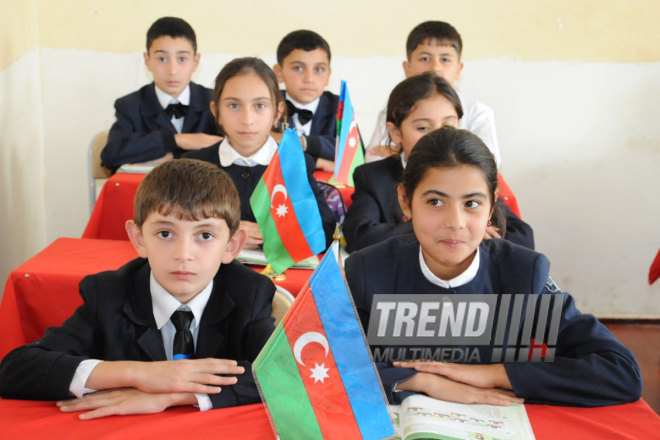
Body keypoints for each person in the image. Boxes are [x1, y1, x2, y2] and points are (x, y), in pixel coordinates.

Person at [345, 127, 642, 407]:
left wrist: (493, 373)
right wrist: (419, 380)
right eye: (435, 202)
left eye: (471, 203)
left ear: (492, 205)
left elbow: (619, 371)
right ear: (405, 202)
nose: (455, 222)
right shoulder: (368, 272)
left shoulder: (523, 275)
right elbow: (326, 366)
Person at [0, 159, 276, 418]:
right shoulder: (109, 294)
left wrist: (173, 394)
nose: (184, 254)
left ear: (231, 246)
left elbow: (285, 374)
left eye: (205, 235)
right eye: (165, 233)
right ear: (138, 239)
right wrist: (139, 374)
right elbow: (16, 370)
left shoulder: (249, 292)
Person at [343, 73, 533, 253]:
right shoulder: (374, 177)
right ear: (395, 132)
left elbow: (522, 237)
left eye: (447, 125)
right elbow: (359, 236)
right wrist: (438, 231)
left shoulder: (474, 175)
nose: (436, 135)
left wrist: (474, 233)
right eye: (423, 127)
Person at [184, 57, 335, 250]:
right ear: (216, 111)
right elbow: (174, 225)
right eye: (234, 106)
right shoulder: (194, 165)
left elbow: (325, 230)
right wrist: (227, 233)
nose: (247, 119)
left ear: (277, 112)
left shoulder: (293, 164)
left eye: (260, 106)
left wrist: (269, 232)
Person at [367, 21, 500, 166]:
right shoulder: (394, 108)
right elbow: (373, 157)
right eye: (425, 59)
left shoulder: (478, 112)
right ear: (407, 68)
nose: (435, 67)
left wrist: (404, 150)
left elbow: (489, 162)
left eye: (445, 59)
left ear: (458, 69)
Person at [101, 17, 221, 172]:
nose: (172, 70)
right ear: (147, 60)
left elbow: (234, 149)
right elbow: (111, 156)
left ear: (196, 61)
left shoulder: (214, 101)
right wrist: (176, 140)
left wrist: (172, 156)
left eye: (182, 59)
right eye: (162, 59)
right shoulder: (130, 105)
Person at [273, 29, 338, 171]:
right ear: (279, 73)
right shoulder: (269, 105)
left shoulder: (339, 107)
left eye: (319, 69)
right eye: (298, 68)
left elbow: (351, 151)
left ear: (328, 75)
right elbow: (259, 147)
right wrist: (318, 162)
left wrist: (301, 142)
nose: (309, 79)